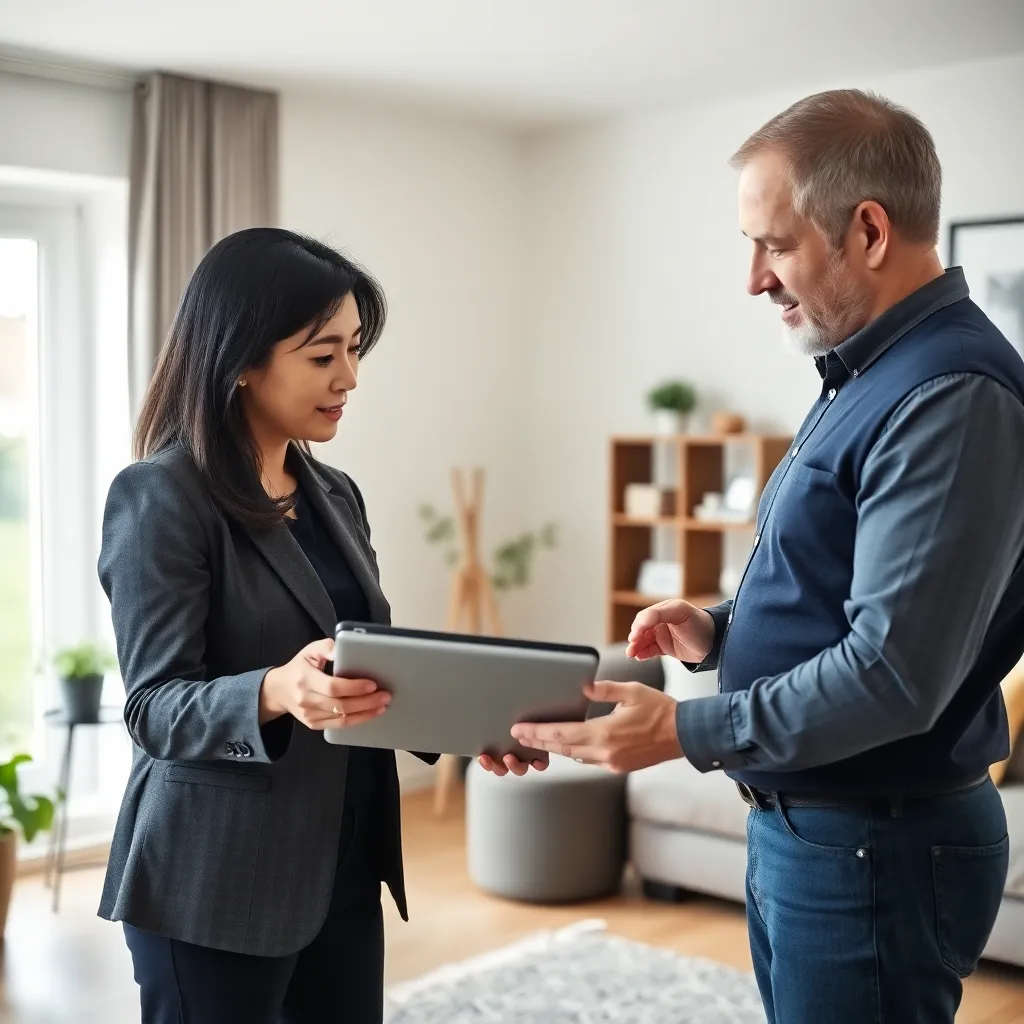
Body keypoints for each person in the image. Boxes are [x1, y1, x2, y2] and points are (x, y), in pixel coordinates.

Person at [508, 89, 1024, 1022]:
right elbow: (849, 589)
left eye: (775, 245)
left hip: (874, 844)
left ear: (868, 230)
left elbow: (894, 674)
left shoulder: (951, 394)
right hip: (819, 832)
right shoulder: (868, 374)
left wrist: (680, 731)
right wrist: (720, 628)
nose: (755, 278)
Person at [97, 227, 436, 1023]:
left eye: (355, 350)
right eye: (322, 356)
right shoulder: (161, 497)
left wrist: (463, 718)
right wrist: (275, 691)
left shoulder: (337, 493)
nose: (349, 377)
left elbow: (355, 662)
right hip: (215, 883)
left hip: (343, 867)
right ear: (242, 359)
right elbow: (154, 708)